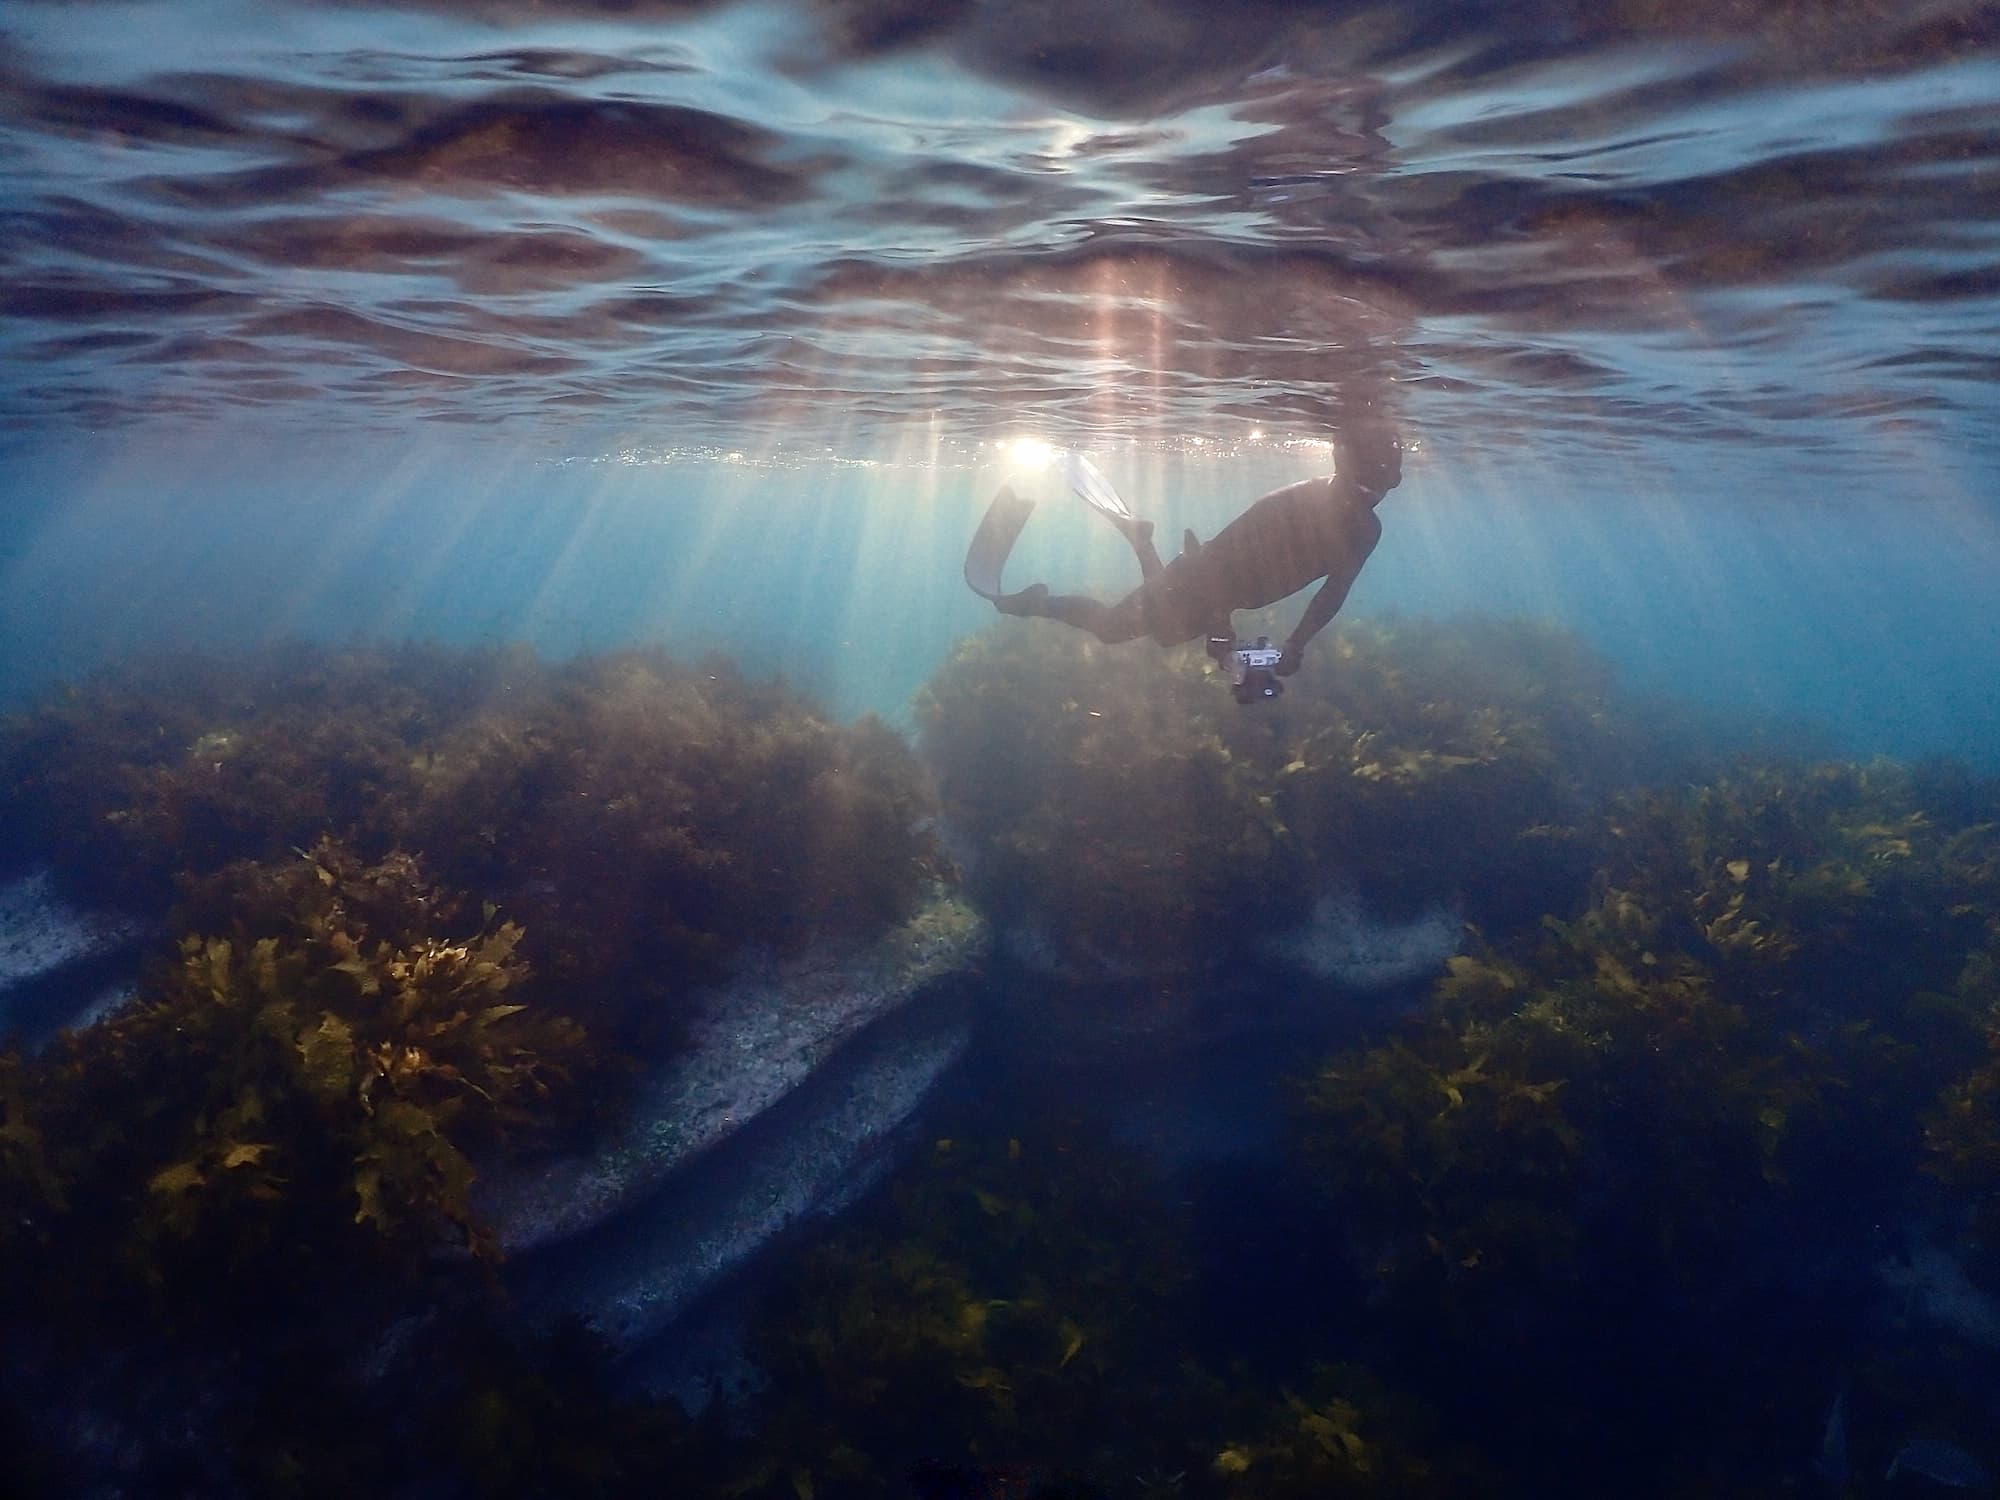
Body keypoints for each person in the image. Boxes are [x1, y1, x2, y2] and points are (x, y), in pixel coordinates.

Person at [963, 423, 1403, 690]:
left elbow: (1334, 591)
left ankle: (1140, 541)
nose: (1369, 498)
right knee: (1115, 630)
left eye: (1380, 491)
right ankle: (1033, 602)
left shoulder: (1366, 529)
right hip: (1199, 579)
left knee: (1166, 633)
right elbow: (1213, 567)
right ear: (1340, 467)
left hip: (1218, 593)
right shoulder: (1290, 505)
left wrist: (1296, 644)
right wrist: (1219, 629)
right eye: (1362, 487)